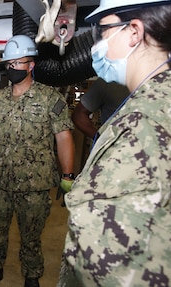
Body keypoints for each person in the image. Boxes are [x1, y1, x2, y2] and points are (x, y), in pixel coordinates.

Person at [59, 0, 171, 286]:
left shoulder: (145, 122)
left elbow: (110, 260)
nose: (98, 43)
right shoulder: (150, 103)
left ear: (134, 31)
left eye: (103, 31)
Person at [0, 35, 75, 287]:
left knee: (31, 235)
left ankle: (32, 275)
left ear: (31, 65)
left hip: (34, 184)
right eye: (9, 63)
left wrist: (67, 175)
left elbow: (64, 137)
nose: (12, 68)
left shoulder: (50, 98)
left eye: (18, 63)